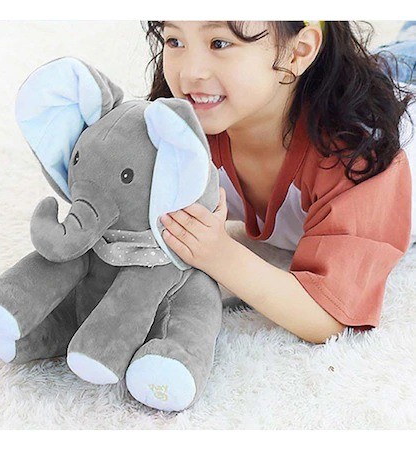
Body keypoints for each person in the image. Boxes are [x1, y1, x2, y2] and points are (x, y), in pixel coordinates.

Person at [142, 21, 415, 344]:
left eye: (219, 43)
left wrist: (218, 254)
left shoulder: (357, 151)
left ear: (298, 52)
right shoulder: (191, 126)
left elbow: (329, 317)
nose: (190, 73)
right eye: (175, 41)